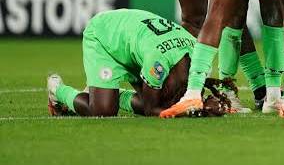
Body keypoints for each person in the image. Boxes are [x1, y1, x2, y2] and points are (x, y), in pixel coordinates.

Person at [46, 9, 224, 117]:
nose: (179, 95)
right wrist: (189, 112)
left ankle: (105, 92)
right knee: (103, 111)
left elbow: (189, 98)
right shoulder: (158, 63)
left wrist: (198, 105)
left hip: (134, 41)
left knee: (166, 99)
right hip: (105, 36)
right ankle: (57, 90)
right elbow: (150, 108)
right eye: (177, 89)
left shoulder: (199, 63)